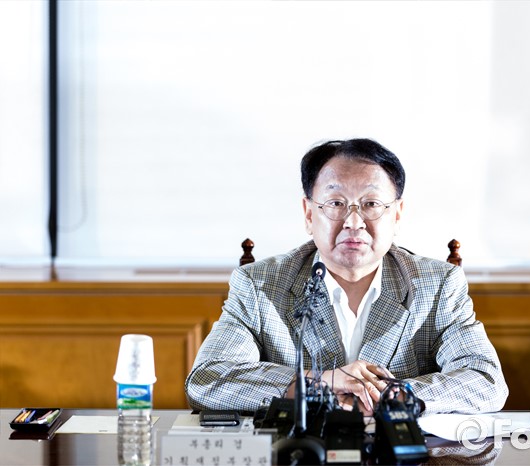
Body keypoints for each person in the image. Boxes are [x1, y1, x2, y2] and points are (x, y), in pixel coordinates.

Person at [185, 138, 508, 416]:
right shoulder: (260, 285)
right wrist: (320, 383)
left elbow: (487, 380)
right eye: (336, 203)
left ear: (397, 215)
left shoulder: (437, 285)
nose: (354, 222)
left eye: (371, 204)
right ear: (309, 214)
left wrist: (394, 395)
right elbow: (206, 380)